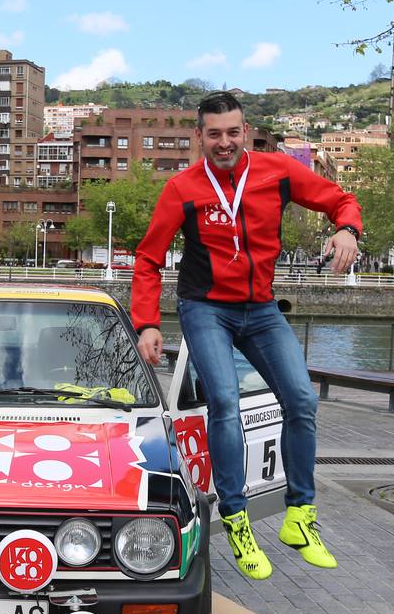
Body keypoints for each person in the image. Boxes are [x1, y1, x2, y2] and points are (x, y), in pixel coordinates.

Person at [131, 91, 361, 580]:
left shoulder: (276, 171)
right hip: (206, 308)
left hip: (259, 309)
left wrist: (347, 230)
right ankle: (235, 518)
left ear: (246, 130)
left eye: (233, 132)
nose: (224, 142)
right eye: (214, 134)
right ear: (199, 136)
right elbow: (148, 258)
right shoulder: (182, 189)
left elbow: (339, 199)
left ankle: (300, 517)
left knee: (301, 399)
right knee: (226, 402)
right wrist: (147, 322)